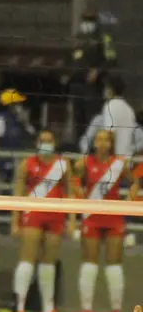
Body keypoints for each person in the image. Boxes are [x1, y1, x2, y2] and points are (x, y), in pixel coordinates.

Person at [11, 129, 73, 312]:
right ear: (37, 143)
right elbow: (18, 193)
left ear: (54, 143)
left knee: (48, 262)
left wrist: (72, 220)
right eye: (42, 139)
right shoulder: (26, 164)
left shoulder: (63, 164)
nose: (46, 143)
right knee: (27, 260)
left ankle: (48, 306)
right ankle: (19, 305)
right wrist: (16, 222)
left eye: (49, 140)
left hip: (56, 215)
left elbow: (70, 193)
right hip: (33, 214)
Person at [74, 129, 136, 312]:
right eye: (98, 139)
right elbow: (73, 179)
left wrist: (128, 202)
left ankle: (116, 308)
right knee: (89, 263)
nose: (102, 143)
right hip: (91, 216)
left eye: (105, 140)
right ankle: (87, 308)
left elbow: (134, 183)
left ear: (110, 144)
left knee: (114, 263)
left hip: (114, 217)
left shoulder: (119, 164)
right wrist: (80, 195)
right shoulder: (84, 162)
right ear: (94, 143)